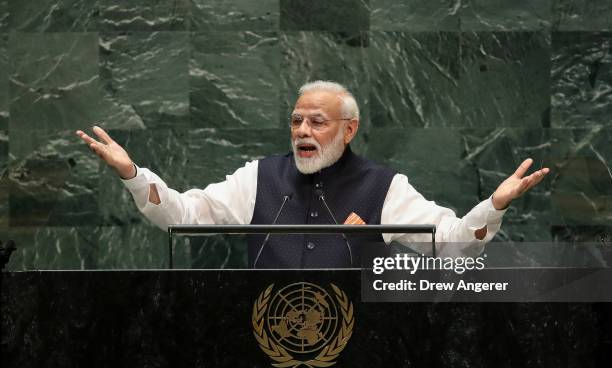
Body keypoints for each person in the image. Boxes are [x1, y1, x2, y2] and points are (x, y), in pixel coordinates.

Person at [76, 81, 549, 268]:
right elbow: (180, 216)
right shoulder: (257, 177)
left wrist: (496, 205)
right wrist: (133, 174)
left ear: (349, 129)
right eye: (297, 121)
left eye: (316, 122)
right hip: (262, 343)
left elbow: (453, 245)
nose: (303, 130)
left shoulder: (384, 187)